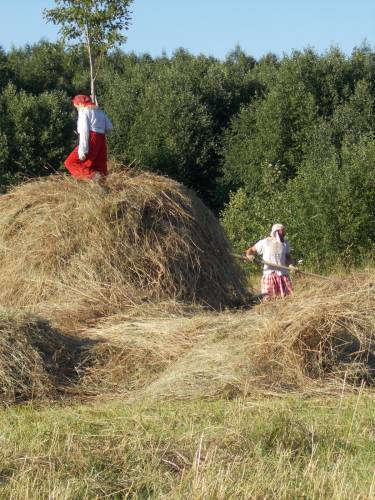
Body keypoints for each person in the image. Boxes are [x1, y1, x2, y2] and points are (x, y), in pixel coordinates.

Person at [64, 95, 113, 181]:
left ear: (80, 104)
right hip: (101, 139)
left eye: (77, 107)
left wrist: (82, 150)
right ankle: (103, 186)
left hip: (91, 138)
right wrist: (99, 129)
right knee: (99, 166)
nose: (77, 109)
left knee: (70, 162)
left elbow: (84, 131)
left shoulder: (84, 111)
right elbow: (109, 128)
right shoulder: (100, 111)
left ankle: (92, 176)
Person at [245, 223, 298, 300]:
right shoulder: (264, 242)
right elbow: (250, 250)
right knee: (269, 300)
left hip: (283, 275)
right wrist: (249, 255)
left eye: (284, 231)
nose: (284, 233)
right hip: (269, 275)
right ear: (276, 232)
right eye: (282, 231)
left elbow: (288, 257)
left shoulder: (285, 243)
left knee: (287, 299)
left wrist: (291, 265)